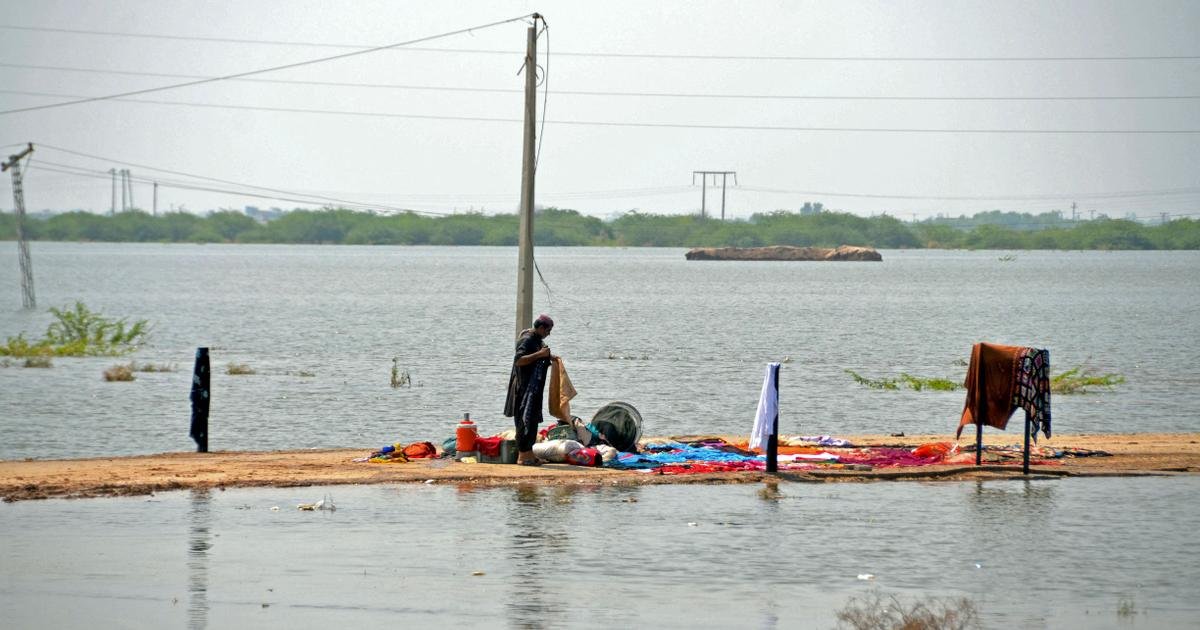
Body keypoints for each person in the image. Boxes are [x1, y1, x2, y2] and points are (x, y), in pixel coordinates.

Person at [504, 314, 556, 465]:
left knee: (532, 422)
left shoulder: (537, 340)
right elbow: (519, 360)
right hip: (523, 389)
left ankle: (530, 455)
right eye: (548, 330)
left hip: (533, 390)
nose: (549, 333)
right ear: (540, 328)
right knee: (523, 422)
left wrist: (550, 357)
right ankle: (522, 457)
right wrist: (540, 354)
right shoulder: (526, 340)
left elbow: (536, 356)